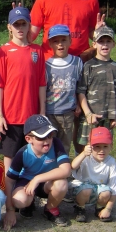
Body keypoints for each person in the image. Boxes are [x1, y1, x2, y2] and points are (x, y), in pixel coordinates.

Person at [0, 7, 46, 171]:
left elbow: (41, 83)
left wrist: (42, 112)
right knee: (10, 156)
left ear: (29, 25)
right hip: (11, 116)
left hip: (31, 115)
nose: (20, 28)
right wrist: (0, 115)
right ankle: (9, 186)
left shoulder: (37, 50)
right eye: (16, 24)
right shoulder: (3, 51)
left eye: (23, 24)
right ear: (9, 27)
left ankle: (29, 186)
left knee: (32, 154)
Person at [4, 114, 72, 229]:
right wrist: (10, 210)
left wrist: (37, 179)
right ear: (28, 139)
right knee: (19, 200)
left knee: (62, 184)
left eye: (50, 135)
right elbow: (9, 181)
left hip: (47, 183)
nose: (47, 140)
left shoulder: (56, 144)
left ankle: (50, 208)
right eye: (41, 137)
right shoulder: (22, 153)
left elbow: (66, 170)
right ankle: (29, 203)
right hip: (27, 183)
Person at [76, 26, 116, 151]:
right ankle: (81, 165)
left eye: (108, 41)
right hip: (91, 117)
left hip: (108, 117)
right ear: (94, 44)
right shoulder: (88, 66)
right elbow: (81, 92)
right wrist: (88, 114)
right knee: (87, 148)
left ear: (113, 44)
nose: (105, 45)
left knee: (103, 147)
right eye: (101, 41)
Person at [45, 24, 83, 155]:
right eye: (56, 41)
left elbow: (80, 86)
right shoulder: (46, 65)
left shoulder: (77, 63)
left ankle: (63, 166)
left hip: (68, 113)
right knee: (49, 145)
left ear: (70, 41)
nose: (60, 44)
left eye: (63, 40)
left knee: (65, 146)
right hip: (50, 112)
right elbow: (43, 89)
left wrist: (78, 104)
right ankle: (51, 167)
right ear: (50, 44)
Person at [70, 127, 116, 222]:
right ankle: (80, 208)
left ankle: (100, 208)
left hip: (99, 190)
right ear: (90, 146)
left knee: (106, 192)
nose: (101, 150)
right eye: (97, 146)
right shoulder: (86, 157)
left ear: (111, 146)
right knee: (86, 190)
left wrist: (108, 209)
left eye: (105, 146)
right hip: (83, 189)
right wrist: (83, 153)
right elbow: (73, 166)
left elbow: (115, 188)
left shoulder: (111, 162)